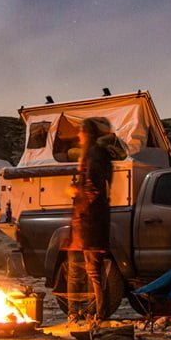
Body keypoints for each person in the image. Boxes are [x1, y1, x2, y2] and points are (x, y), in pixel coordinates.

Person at [66, 116, 113, 326]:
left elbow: (93, 187)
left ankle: (98, 313)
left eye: (81, 132)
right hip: (93, 218)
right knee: (91, 268)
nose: (78, 136)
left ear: (87, 134)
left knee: (92, 269)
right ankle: (93, 311)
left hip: (90, 220)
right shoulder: (99, 154)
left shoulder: (93, 154)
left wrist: (77, 194)